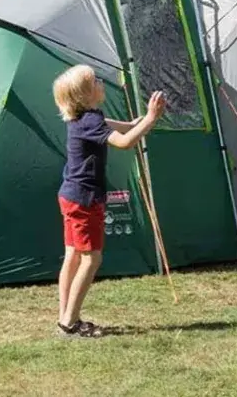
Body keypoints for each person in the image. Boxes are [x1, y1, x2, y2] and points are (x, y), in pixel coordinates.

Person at [52, 64, 166, 337]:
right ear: (85, 94)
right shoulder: (91, 120)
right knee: (91, 259)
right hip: (84, 199)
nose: (101, 82)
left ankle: (65, 317)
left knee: (73, 256)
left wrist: (147, 118)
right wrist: (150, 119)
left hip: (70, 195)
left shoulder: (83, 117)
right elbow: (125, 141)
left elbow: (127, 127)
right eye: (96, 81)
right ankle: (70, 323)